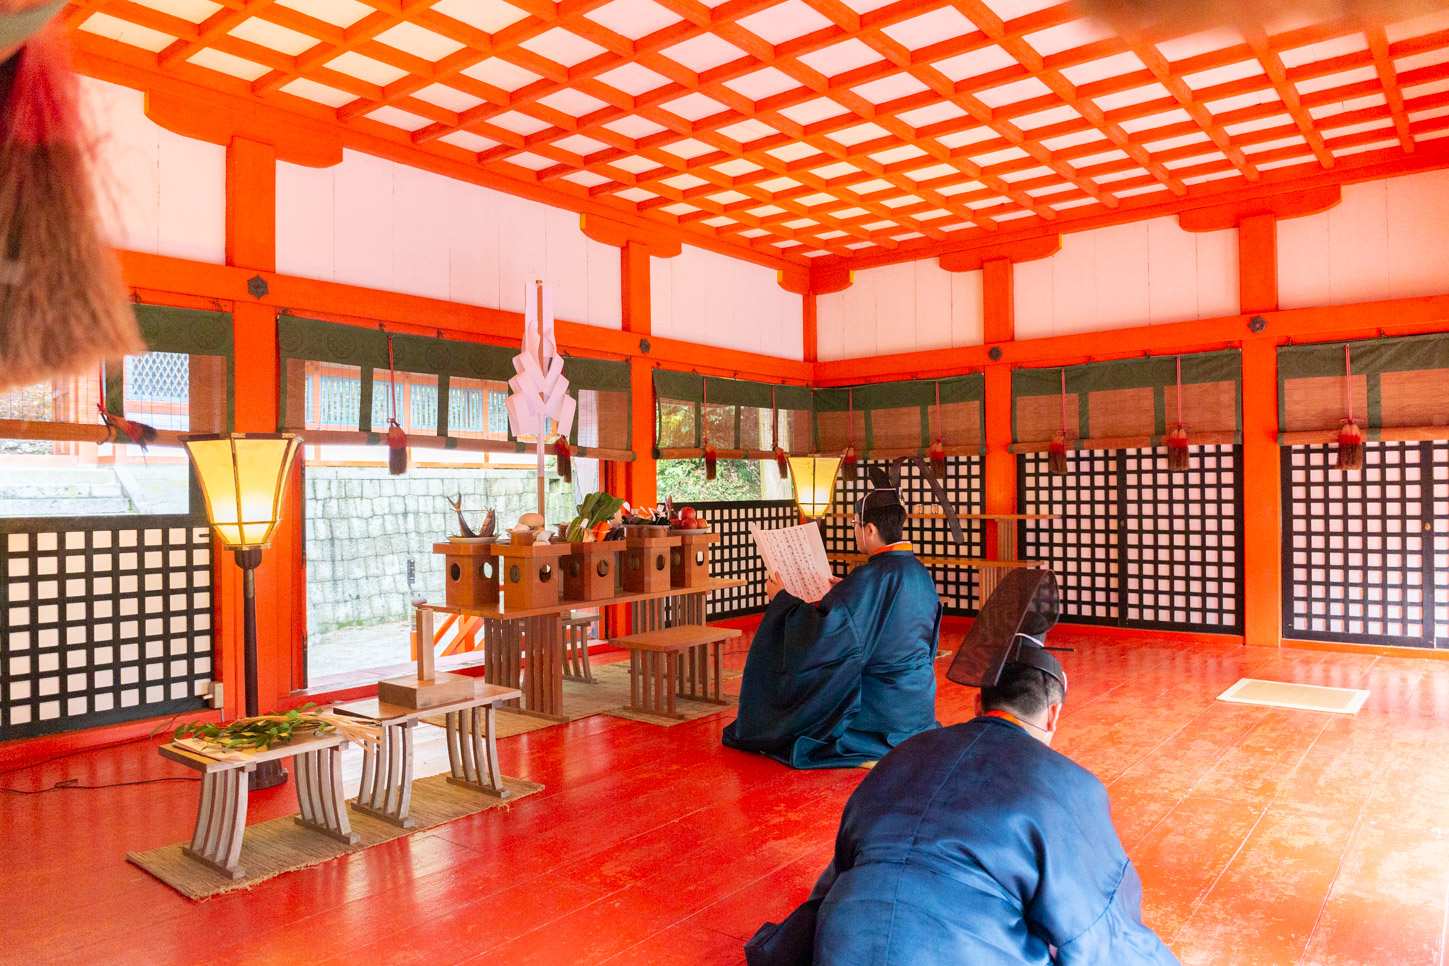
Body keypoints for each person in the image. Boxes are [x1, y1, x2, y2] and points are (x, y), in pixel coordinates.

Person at [744, 571, 1180, 966]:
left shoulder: (902, 755)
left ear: (976, 703)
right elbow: (1098, 930)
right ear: (1053, 715)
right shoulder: (1070, 786)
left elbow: (838, 874)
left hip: (842, 946)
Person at [721, 477, 942, 769]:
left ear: (870, 530)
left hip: (881, 715)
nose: (855, 531)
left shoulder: (868, 579)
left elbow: (822, 635)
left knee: (800, 724)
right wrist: (845, 594)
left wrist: (782, 600)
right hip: (919, 707)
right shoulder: (919, 572)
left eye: (855, 525)